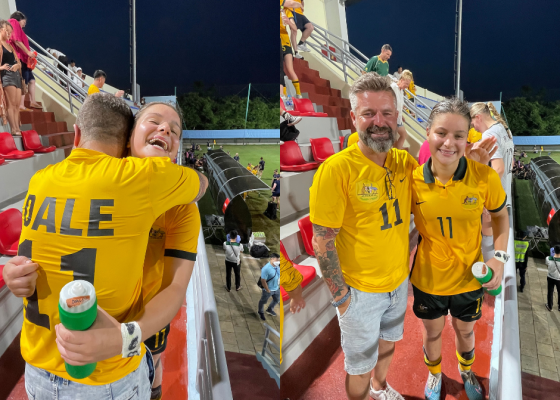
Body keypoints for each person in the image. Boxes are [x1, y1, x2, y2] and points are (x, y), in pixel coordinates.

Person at [3, 93, 208, 398]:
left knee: (156, 360)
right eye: (154, 122)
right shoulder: (133, 180)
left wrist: (125, 338)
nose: (166, 130)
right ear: (126, 139)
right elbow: (201, 183)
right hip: (105, 371)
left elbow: (175, 289)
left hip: (133, 330)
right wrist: (18, 274)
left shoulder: (180, 208)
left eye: (175, 131)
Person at [309, 73, 496, 400]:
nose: (378, 121)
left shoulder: (403, 163)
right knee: (358, 367)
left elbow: (440, 191)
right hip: (360, 292)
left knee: (388, 346)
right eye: (368, 114)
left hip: (398, 284)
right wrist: (342, 298)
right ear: (353, 118)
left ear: (398, 117)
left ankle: (381, 387)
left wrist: (471, 166)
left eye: (386, 113)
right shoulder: (336, 170)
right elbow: (322, 241)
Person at [410, 98, 509, 400]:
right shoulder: (411, 181)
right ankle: (434, 374)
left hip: (469, 280)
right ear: (428, 132)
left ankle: (466, 371)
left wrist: (500, 260)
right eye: (441, 133)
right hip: (429, 281)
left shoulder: (484, 177)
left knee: (466, 332)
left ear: (468, 138)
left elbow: (501, 217)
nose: (449, 143)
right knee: (432, 333)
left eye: (458, 135)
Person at [470, 102, 514, 261]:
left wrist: (484, 192)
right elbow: (511, 164)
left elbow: (499, 168)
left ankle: (489, 274)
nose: (473, 127)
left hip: (494, 198)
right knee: (496, 239)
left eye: (473, 122)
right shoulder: (504, 130)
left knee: (488, 241)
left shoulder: (489, 134)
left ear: (478, 117)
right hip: (504, 195)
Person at [344, 69, 414, 150]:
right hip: (395, 118)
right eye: (368, 114)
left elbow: (397, 105)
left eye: (408, 84)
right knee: (401, 134)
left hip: (396, 117)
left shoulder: (401, 91)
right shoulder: (393, 88)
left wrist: (400, 115)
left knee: (394, 136)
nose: (379, 122)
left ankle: (396, 150)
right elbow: (387, 103)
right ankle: (397, 149)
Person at [7, 11, 40, 110]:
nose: (24, 23)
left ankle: (32, 101)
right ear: (19, 19)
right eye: (23, 21)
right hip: (19, 57)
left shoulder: (20, 29)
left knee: (32, 81)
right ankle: (21, 105)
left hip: (24, 59)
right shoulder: (14, 22)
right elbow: (16, 40)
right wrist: (28, 52)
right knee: (24, 80)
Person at [0, 20, 22, 136]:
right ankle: (13, 128)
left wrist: (17, 65)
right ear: (1, 30)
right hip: (7, 76)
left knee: (17, 104)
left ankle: (17, 127)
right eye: (7, 31)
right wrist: (2, 67)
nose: (9, 34)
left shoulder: (10, 46)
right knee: (11, 103)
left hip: (16, 75)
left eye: (10, 32)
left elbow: (18, 62)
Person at [280, 5, 303, 99]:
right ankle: (283, 95)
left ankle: (299, 94)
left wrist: (288, 21)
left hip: (285, 42)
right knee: (280, 70)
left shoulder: (286, 11)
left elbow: (294, 28)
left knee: (290, 69)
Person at [258, 253, 281, 321]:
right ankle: (260, 312)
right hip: (268, 290)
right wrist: (267, 289)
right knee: (263, 301)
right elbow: (263, 280)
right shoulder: (266, 269)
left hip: (276, 288)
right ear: (272, 259)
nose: (278, 261)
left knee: (277, 299)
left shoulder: (277, 266)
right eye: (277, 260)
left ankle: (270, 309)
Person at [546, 245, 560, 312]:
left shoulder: (548, 258)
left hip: (550, 277)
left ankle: (550, 306)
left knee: (550, 291)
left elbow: (547, 265)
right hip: (559, 279)